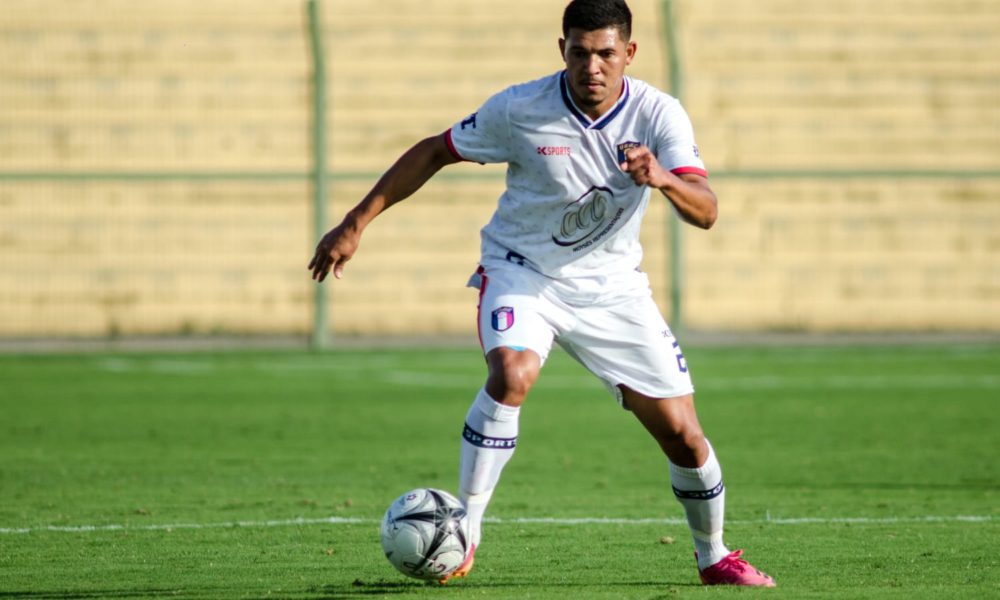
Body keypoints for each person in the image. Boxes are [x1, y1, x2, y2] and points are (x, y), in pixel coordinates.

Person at [309, 0, 774, 588]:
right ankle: (466, 533)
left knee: (684, 434)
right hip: (521, 271)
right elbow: (434, 150)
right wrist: (355, 223)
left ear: (629, 53)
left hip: (612, 290)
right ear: (563, 51)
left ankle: (714, 557)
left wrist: (661, 178)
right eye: (579, 52)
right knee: (512, 372)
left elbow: (706, 211)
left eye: (606, 53)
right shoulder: (520, 108)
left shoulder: (660, 115)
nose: (592, 66)